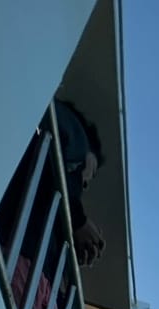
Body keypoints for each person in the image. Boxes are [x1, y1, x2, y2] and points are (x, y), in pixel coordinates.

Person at [53, 99, 106, 267]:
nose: (86, 184)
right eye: (93, 172)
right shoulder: (78, 140)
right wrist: (77, 219)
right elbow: (52, 165)